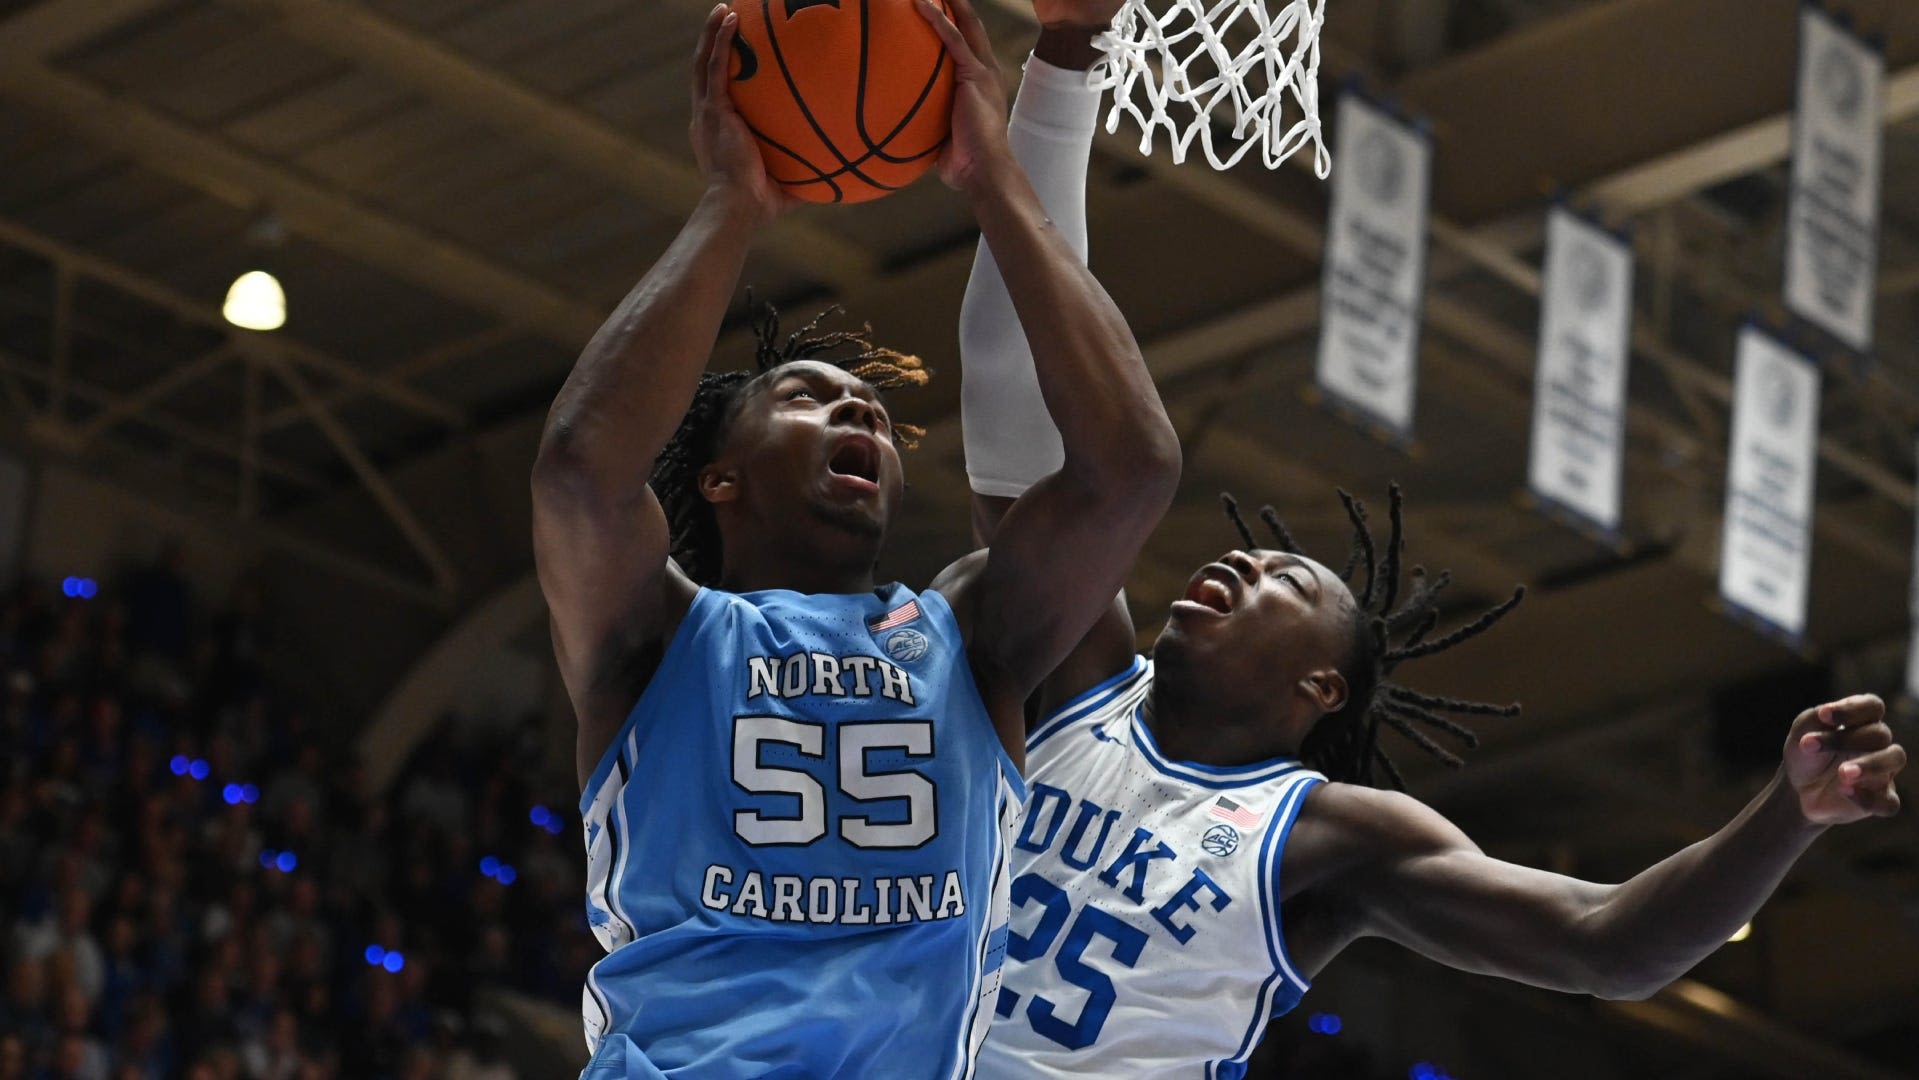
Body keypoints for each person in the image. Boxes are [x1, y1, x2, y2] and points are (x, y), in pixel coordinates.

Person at [955, 10, 1909, 1077]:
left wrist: (1789, 810)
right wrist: (1067, 58)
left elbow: (1608, 943)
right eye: (1249, 559)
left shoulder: (1329, 842)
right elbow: (1015, 420)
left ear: (1321, 684)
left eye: (1284, 579)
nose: (1235, 562)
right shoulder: (1072, 675)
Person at [528, 0, 1181, 1075]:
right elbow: (578, 472)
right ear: (719, 477)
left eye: (869, 409)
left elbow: (1131, 469)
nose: (860, 413)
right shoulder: (653, 636)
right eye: (806, 395)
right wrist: (731, 203)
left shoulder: (971, 637)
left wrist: (994, 178)